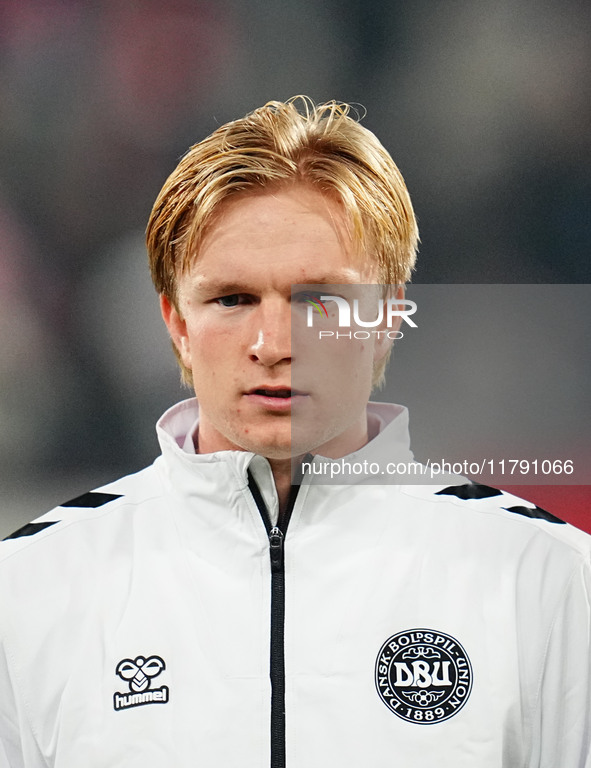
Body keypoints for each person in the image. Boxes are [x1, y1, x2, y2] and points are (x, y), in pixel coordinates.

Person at [0, 97, 589, 768]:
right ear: (175, 325)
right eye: (232, 299)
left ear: (388, 318)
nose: (276, 343)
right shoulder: (29, 590)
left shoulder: (544, 576)